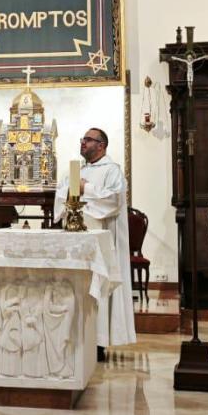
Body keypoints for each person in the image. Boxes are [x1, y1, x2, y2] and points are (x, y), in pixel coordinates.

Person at [53, 127, 135, 360]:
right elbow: (61, 197)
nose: (83, 143)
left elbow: (113, 200)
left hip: (101, 239)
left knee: (99, 283)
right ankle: (78, 336)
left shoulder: (113, 171)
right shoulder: (75, 171)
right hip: (76, 240)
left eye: (88, 140)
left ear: (101, 145)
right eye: (82, 139)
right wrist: (73, 191)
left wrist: (85, 189)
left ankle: (98, 341)